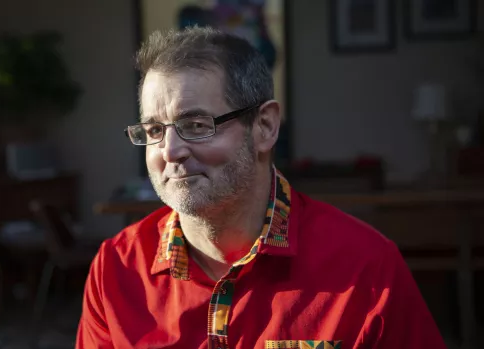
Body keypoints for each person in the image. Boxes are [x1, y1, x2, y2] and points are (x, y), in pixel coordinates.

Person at [76, 27, 446, 349]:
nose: (170, 151)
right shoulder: (116, 270)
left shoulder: (366, 267)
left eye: (198, 124)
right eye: (155, 130)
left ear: (265, 127)